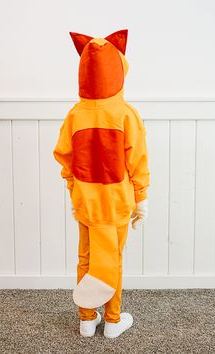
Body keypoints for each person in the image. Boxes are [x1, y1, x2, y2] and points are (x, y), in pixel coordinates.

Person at [53, 29, 150, 338]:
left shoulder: (75, 114)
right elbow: (137, 159)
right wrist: (141, 196)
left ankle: (85, 319)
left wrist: (74, 187)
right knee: (113, 259)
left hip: (86, 202)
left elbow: (63, 156)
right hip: (117, 202)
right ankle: (112, 320)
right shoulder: (125, 114)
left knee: (87, 256)